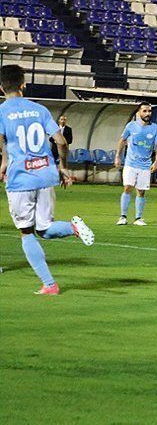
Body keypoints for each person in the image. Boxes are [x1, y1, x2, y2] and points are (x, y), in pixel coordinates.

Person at [0, 65, 95, 294]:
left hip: (20, 178)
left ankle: (50, 284)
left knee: (26, 232)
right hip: (45, 174)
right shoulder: (39, 110)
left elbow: (2, 141)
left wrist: (4, 163)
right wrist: (63, 167)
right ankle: (73, 227)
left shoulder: (2, 112)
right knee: (44, 228)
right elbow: (61, 141)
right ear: (23, 85)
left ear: (1, 87)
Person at [115, 102, 157, 226]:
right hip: (130, 163)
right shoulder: (131, 126)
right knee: (127, 187)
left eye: (149, 111)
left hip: (145, 164)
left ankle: (138, 218)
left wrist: (156, 162)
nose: (148, 114)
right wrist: (117, 156)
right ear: (139, 113)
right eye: (145, 111)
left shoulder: (155, 128)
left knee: (141, 191)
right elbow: (122, 140)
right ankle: (123, 216)